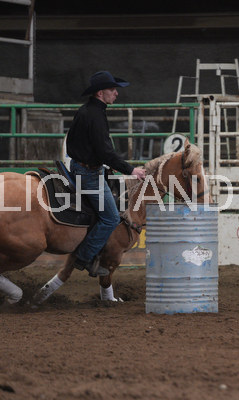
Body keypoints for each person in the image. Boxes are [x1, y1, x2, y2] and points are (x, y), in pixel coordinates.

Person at [66, 71, 146, 277]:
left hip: (80, 167)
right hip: (89, 174)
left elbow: (78, 144)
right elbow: (105, 152)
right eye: (112, 89)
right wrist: (131, 170)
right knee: (110, 218)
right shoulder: (95, 115)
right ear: (100, 93)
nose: (116, 93)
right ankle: (84, 256)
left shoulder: (86, 111)